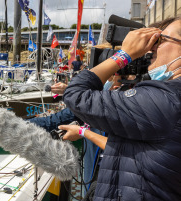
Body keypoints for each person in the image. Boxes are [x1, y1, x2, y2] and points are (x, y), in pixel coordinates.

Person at [63, 16, 181, 200]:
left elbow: (76, 95)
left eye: (160, 40)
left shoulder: (166, 100)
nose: (151, 48)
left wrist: (124, 55)